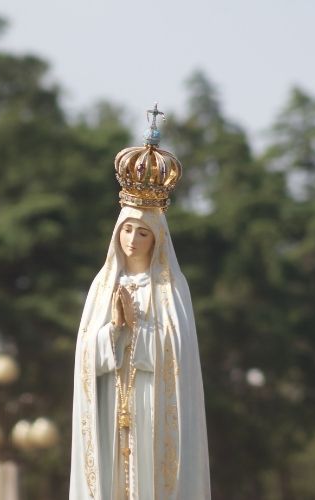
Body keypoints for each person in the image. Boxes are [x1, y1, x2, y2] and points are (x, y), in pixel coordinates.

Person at [70, 106, 211, 499]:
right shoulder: (102, 286)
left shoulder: (169, 288)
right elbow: (86, 357)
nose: (132, 239)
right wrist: (114, 331)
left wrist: (140, 328)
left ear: (157, 239)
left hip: (151, 406)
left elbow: (177, 357)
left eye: (142, 233)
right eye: (127, 229)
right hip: (111, 406)